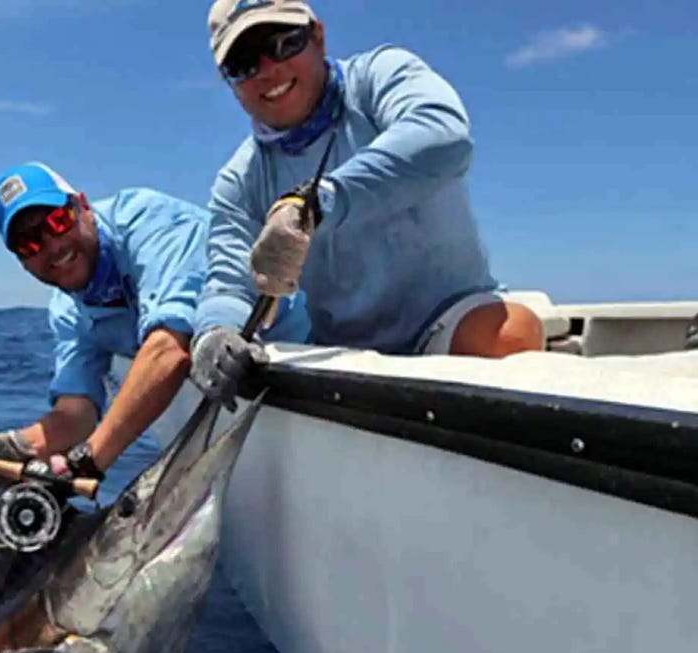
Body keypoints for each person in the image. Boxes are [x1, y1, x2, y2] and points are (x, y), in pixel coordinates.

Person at [189, 0, 546, 409]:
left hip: (445, 316)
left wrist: (317, 203)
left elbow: (444, 138)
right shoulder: (239, 181)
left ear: (318, 36)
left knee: (511, 333)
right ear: (230, 83)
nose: (267, 70)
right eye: (243, 65)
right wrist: (214, 331)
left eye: (283, 44)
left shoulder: (381, 76)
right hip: (345, 352)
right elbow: (229, 284)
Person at [0, 161, 305, 487]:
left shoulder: (150, 222)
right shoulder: (67, 309)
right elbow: (76, 411)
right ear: (20, 260)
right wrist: (15, 447)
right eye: (29, 244)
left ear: (83, 205)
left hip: (302, 354)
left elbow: (168, 350)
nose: (52, 246)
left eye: (57, 222)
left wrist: (88, 463)